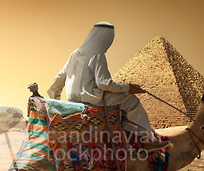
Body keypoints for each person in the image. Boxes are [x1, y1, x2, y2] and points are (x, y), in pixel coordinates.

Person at [45, 22, 169, 150]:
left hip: (72, 98)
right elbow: (104, 84)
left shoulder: (75, 54)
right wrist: (128, 88)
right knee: (131, 100)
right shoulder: (97, 55)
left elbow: (60, 77)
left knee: (124, 98)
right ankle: (145, 140)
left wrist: (55, 99)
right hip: (93, 98)